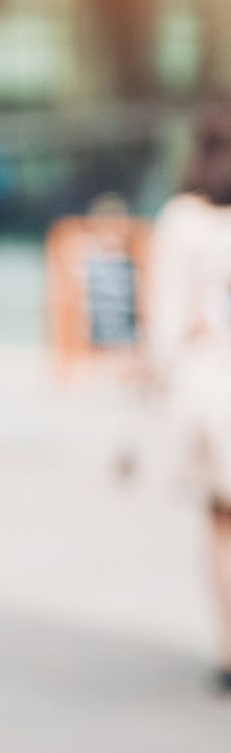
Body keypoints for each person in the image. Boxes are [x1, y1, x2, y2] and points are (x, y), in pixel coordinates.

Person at [148, 104, 231, 692]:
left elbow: (166, 325)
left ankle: (229, 649)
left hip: (209, 384)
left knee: (221, 523)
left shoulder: (182, 220)